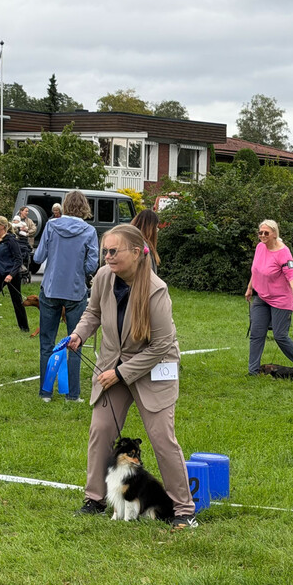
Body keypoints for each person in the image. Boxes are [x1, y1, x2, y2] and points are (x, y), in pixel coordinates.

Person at [68, 225, 197, 528]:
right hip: (112, 366)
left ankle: (183, 509)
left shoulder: (156, 290)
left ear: (137, 253)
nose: (107, 256)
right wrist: (79, 334)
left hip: (154, 368)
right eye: (105, 251)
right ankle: (95, 499)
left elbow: (162, 344)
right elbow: (93, 313)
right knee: (101, 430)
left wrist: (121, 373)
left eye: (114, 251)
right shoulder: (103, 277)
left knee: (162, 439)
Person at [33, 190, 99, 402]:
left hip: (50, 290)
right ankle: (73, 394)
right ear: (85, 207)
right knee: (75, 343)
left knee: (47, 343)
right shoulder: (89, 231)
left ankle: (45, 393)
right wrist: (78, 269)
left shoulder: (51, 226)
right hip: (75, 292)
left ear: (65, 205)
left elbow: (38, 257)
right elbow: (92, 265)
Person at [245, 219, 293, 375]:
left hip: (280, 299)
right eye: (260, 232)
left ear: (274, 234)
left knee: (280, 336)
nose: (262, 235)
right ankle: (253, 371)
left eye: (266, 233)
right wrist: (250, 288)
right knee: (256, 334)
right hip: (262, 297)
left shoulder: (283, 252)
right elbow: (256, 270)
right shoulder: (260, 247)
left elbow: (291, 273)